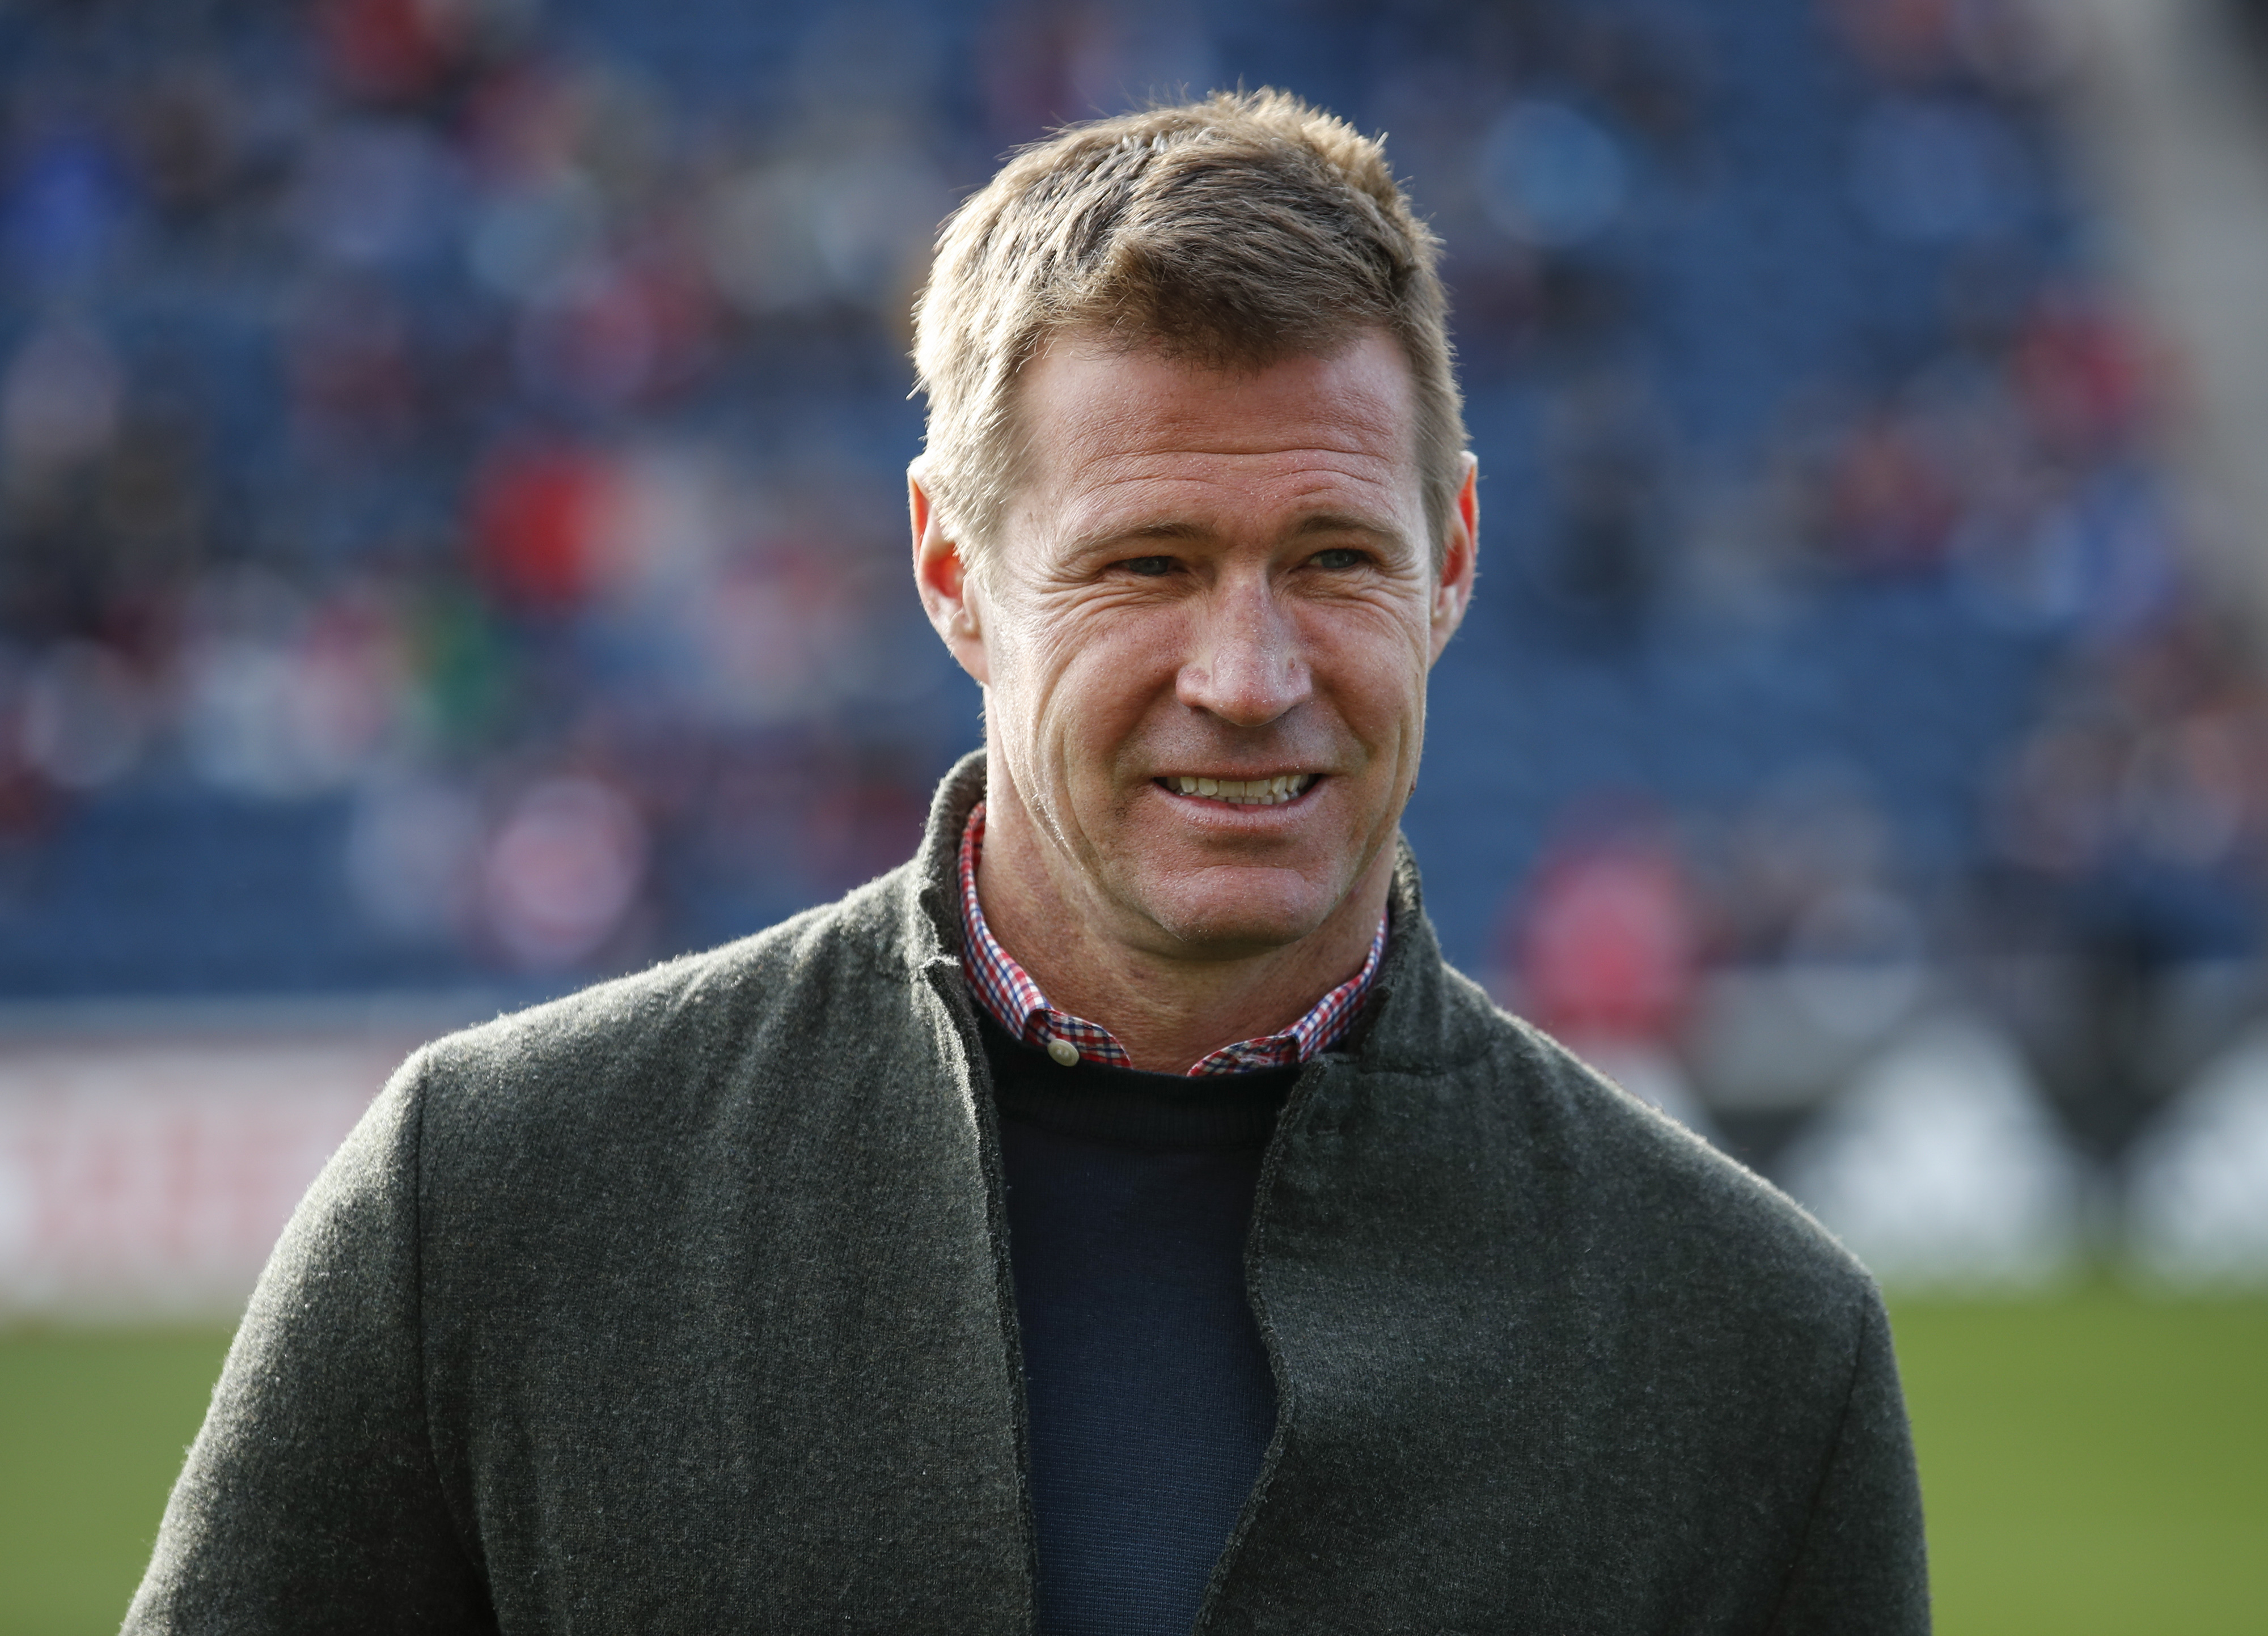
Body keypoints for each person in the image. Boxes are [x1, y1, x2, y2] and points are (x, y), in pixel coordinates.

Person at [127, 91, 1927, 1634]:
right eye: (1145, 564)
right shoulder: (490, 1204)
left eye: (1333, 558)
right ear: (949, 568)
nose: (1249, 677)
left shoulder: (1756, 1348)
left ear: (1451, 558)